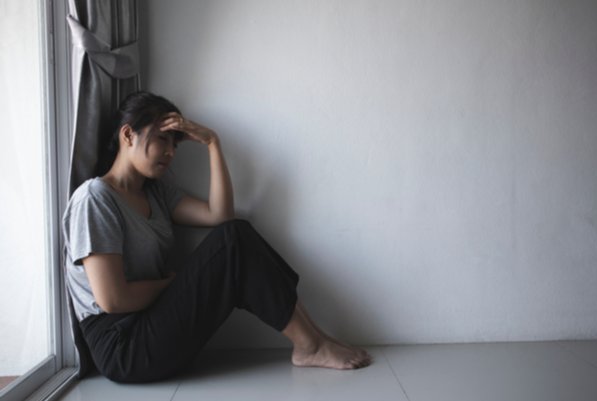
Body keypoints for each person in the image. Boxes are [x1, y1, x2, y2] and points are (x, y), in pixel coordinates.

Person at [62, 91, 371, 383]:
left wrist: (212, 143)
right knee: (233, 239)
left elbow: (220, 216)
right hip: (124, 347)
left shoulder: (155, 194)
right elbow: (113, 300)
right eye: (162, 139)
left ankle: (315, 338)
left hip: (151, 324)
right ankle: (310, 345)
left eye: (176, 144)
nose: (171, 152)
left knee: (237, 232)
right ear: (128, 135)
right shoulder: (95, 198)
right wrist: (170, 284)